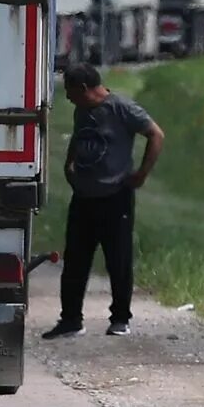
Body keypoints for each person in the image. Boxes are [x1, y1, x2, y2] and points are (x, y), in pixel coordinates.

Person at [42, 63, 164, 339]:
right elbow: (79, 137)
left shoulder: (121, 108)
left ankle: (120, 318)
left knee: (118, 260)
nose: (69, 98)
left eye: (72, 92)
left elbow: (156, 134)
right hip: (84, 197)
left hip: (115, 197)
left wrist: (142, 174)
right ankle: (70, 319)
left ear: (84, 88)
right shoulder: (81, 110)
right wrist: (69, 164)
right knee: (75, 261)